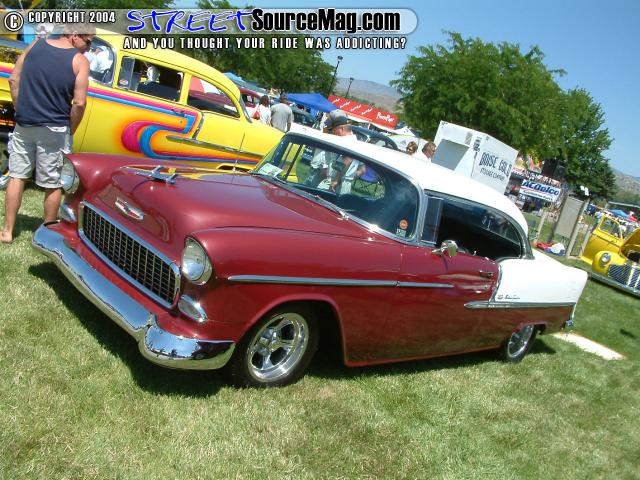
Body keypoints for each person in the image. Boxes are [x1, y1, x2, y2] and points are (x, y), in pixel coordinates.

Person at [1, 24, 93, 244]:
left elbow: (14, 80)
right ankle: (47, 234)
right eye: (88, 41)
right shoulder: (80, 61)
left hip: (25, 123)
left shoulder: (35, 45)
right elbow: (79, 103)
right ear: (74, 35)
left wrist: (21, 109)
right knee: (52, 183)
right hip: (55, 127)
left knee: (17, 176)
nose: (89, 47)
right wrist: (71, 129)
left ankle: (7, 231)